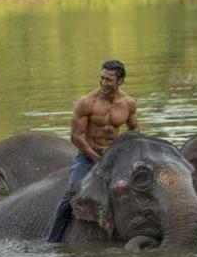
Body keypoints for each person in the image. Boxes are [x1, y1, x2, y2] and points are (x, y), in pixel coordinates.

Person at [47, 60, 138, 243]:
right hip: (89, 155)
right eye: (102, 78)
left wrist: (127, 154)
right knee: (72, 193)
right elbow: (76, 137)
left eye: (109, 79)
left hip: (115, 154)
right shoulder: (87, 102)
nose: (104, 83)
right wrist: (96, 158)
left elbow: (135, 132)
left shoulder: (128, 104)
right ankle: (53, 240)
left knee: (141, 186)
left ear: (119, 81)